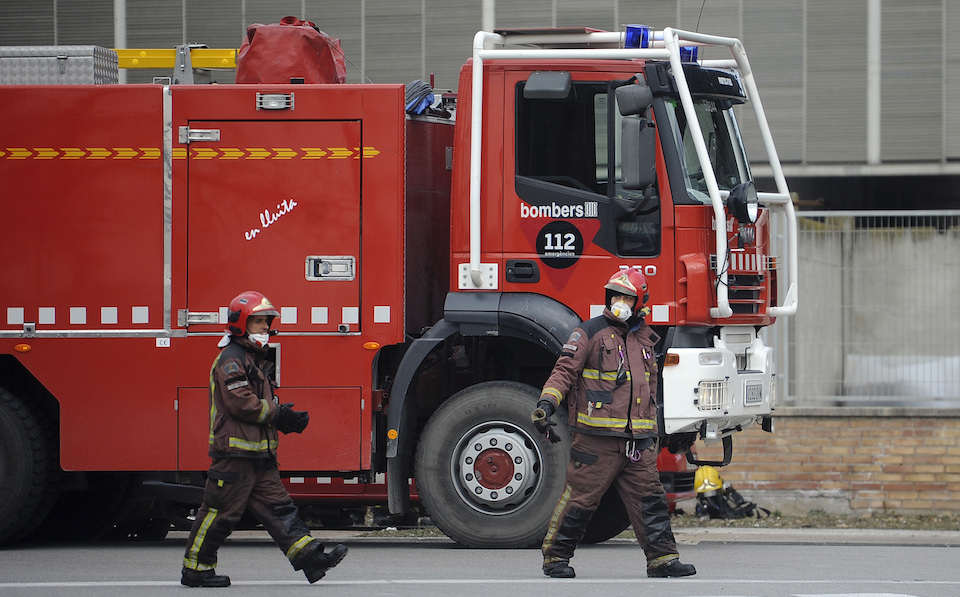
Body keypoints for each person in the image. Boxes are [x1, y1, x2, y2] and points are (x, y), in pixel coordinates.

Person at [532, 268, 696, 579]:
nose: (620, 302)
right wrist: (546, 404)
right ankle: (556, 559)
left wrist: (656, 431)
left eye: (627, 297)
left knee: (650, 500)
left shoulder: (646, 339)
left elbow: (650, 391)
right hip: (597, 439)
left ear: (640, 302)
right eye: (616, 295)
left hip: (637, 441)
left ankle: (662, 560)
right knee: (581, 499)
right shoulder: (588, 333)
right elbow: (564, 372)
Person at [181, 291, 347, 587]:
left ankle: (310, 560)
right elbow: (241, 403)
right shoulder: (231, 359)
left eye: (267, 321)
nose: (265, 327)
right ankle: (196, 569)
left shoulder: (251, 358)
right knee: (220, 514)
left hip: (258, 455)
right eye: (258, 321)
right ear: (241, 324)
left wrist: (283, 418)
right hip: (235, 454)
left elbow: (255, 404)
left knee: (279, 509)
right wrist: (279, 414)